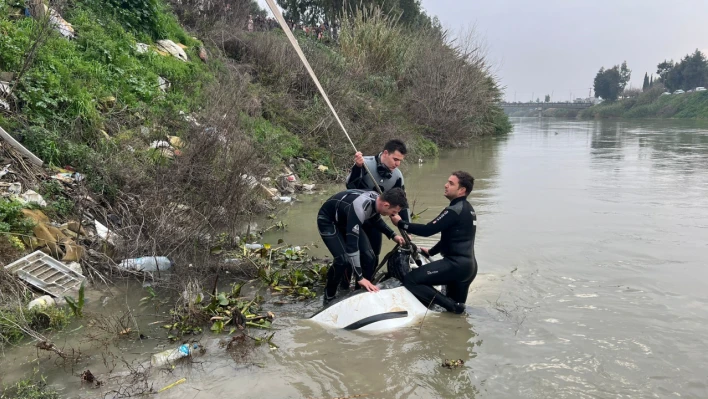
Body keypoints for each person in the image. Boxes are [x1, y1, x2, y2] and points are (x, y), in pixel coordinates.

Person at [390, 171, 478, 314]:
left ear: (462, 190)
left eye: (451, 183)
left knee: (411, 280)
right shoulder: (468, 209)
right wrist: (431, 252)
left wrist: (401, 223)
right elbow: (451, 238)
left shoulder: (454, 210)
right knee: (456, 315)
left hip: (455, 265)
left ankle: (451, 306)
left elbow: (428, 230)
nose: (445, 185)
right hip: (469, 268)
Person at [317, 188, 408, 304]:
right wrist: (360, 277)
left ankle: (359, 291)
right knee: (343, 261)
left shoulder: (378, 200)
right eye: (393, 212)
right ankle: (329, 295)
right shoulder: (359, 208)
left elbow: (376, 219)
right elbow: (352, 246)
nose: (393, 215)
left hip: (348, 220)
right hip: (329, 221)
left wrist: (393, 235)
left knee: (370, 257)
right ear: (386, 205)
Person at [344, 139, 410, 286]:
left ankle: (364, 285)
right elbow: (350, 186)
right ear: (385, 153)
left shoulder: (397, 176)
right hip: (355, 216)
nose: (397, 164)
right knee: (358, 254)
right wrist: (357, 167)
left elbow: (402, 204)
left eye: (400, 161)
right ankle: (345, 285)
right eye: (395, 159)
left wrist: (406, 228)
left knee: (374, 255)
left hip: (374, 219)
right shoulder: (364, 163)